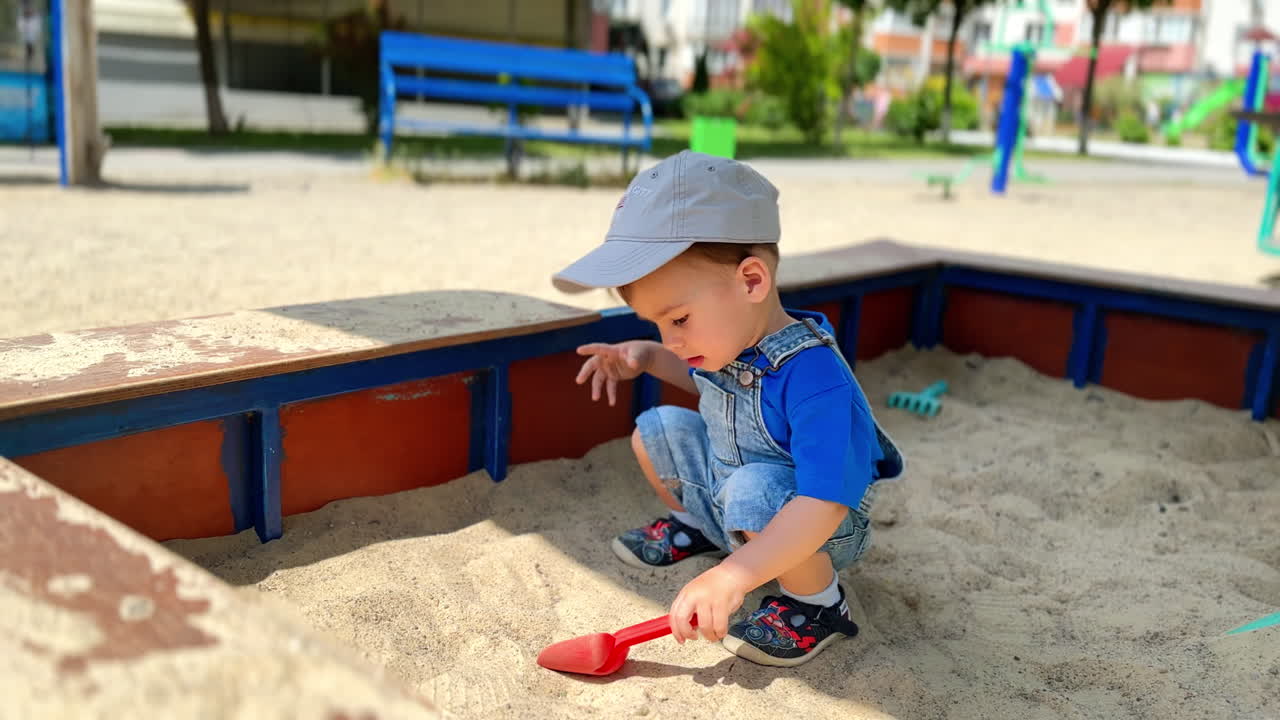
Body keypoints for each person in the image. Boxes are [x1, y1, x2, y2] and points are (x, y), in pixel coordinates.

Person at [551, 150, 904, 667]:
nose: (670, 339)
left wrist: (734, 577)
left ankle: (818, 603)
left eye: (678, 319)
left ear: (751, 281)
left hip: (813, 530)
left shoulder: (816, 379)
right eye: (655, 326)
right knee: (658, 427)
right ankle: (701, 527)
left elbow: (824, 502)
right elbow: (712, 390)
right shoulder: (729, 338)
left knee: (754, 489)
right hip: (729, 501)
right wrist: (645, 358)